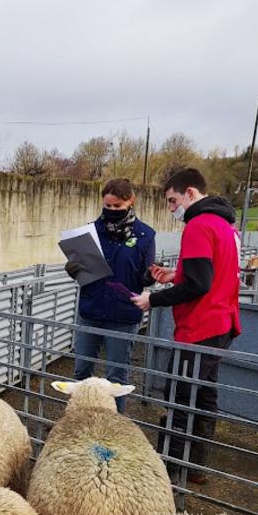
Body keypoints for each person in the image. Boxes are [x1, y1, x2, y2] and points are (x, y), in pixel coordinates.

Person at [131, 167, 241, 483]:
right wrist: (174, 275)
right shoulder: (226, 227)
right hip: (223, 323)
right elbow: (211, 274)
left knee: (180, 396)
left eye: (172, 200)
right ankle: (195, 467)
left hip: (200, 328)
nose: (171, 209)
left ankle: (169, 469)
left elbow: (198, 285)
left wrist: (153, 300)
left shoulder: (198, 226)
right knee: (204, 397)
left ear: (190, 193)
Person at [67, 177, 156, 413]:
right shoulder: (90, 232)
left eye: (117, 206)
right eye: (108, 206)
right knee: (82, 369)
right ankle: (77, 418)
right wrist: (73, 269)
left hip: (123, 315)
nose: (112, 210)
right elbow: (82, 270)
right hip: (91, 309)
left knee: (116, 377)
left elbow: (145, 275)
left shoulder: (145, 235)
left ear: (130, 201)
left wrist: (150, 277)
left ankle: (115, 425)